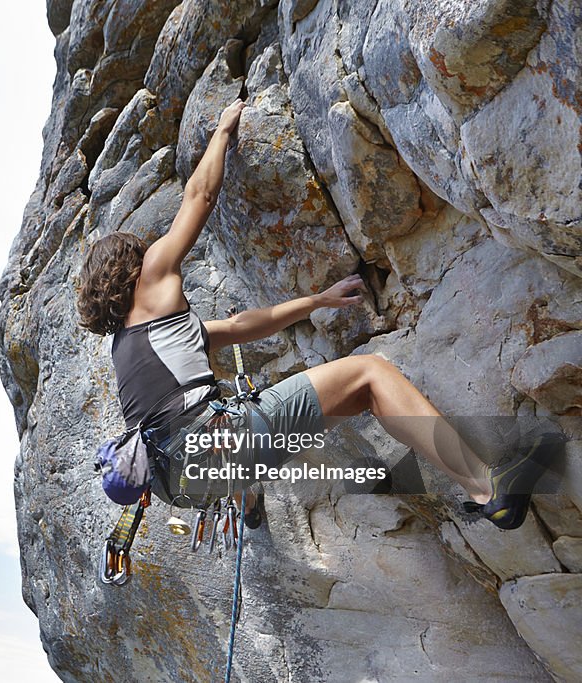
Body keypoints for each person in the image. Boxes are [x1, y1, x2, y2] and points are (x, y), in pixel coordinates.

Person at [76, 98, 555, 531]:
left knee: (348, 399)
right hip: (214, 447)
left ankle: (245, 501)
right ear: (130, 268)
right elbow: (198, 198)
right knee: (370, 373)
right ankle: (488, 489)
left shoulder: (133, 346)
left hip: (182, 485)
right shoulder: (151, 279)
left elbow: (242, 328)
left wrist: (316, 301)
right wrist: (222, 131)